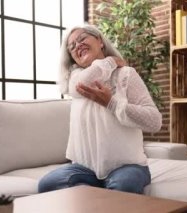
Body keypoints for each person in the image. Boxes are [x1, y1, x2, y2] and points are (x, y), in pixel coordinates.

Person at [38, 24, 162, 194]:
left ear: (100, 41)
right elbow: (84, 83)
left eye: (82, 38)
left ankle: (101, 193)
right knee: (47, 184)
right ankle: (99, 193)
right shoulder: (75, 78)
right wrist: (110, 61)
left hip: (127, 166)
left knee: (123, 186)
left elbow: (154, 121)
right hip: (85, 169)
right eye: (72, 46)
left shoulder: (126, 74)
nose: (77, 45)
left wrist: (112, 103)